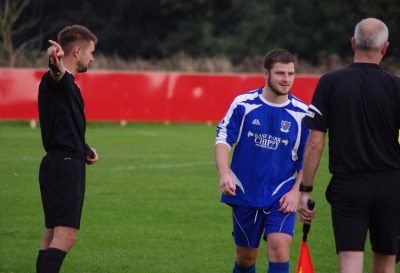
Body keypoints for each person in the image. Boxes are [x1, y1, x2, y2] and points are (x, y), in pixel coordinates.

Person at [298, 18, 400, 273]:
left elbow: (315, 143)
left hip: (348, 186)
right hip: (391, 185)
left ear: (353, 43)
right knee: (386, 260)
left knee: (350, 260)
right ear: (385, 47)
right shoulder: (397, 87)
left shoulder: (330, 82)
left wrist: (305, 191)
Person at [215, 49, 309, 273]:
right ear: (266, 74)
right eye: (280, 73)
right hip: (245, 191)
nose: (286, 79)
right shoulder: (244, 104)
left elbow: (308, 159)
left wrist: (296, 191)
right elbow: (223, 139)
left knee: (279, 248)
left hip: (281, 192)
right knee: (246, 257)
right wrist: (224, 173)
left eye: (291, 73)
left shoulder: (302, 114)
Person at [36, 25, 99, 273]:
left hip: (60, 161)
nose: (92, 57)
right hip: (64, 167)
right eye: (91, 52)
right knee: (65, 237)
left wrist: (83, 149)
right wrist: (55, 61)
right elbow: (56, 73)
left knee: (50, 236)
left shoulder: (69, 83)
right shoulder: (58, 79)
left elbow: (65, 125)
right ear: (77, 51)